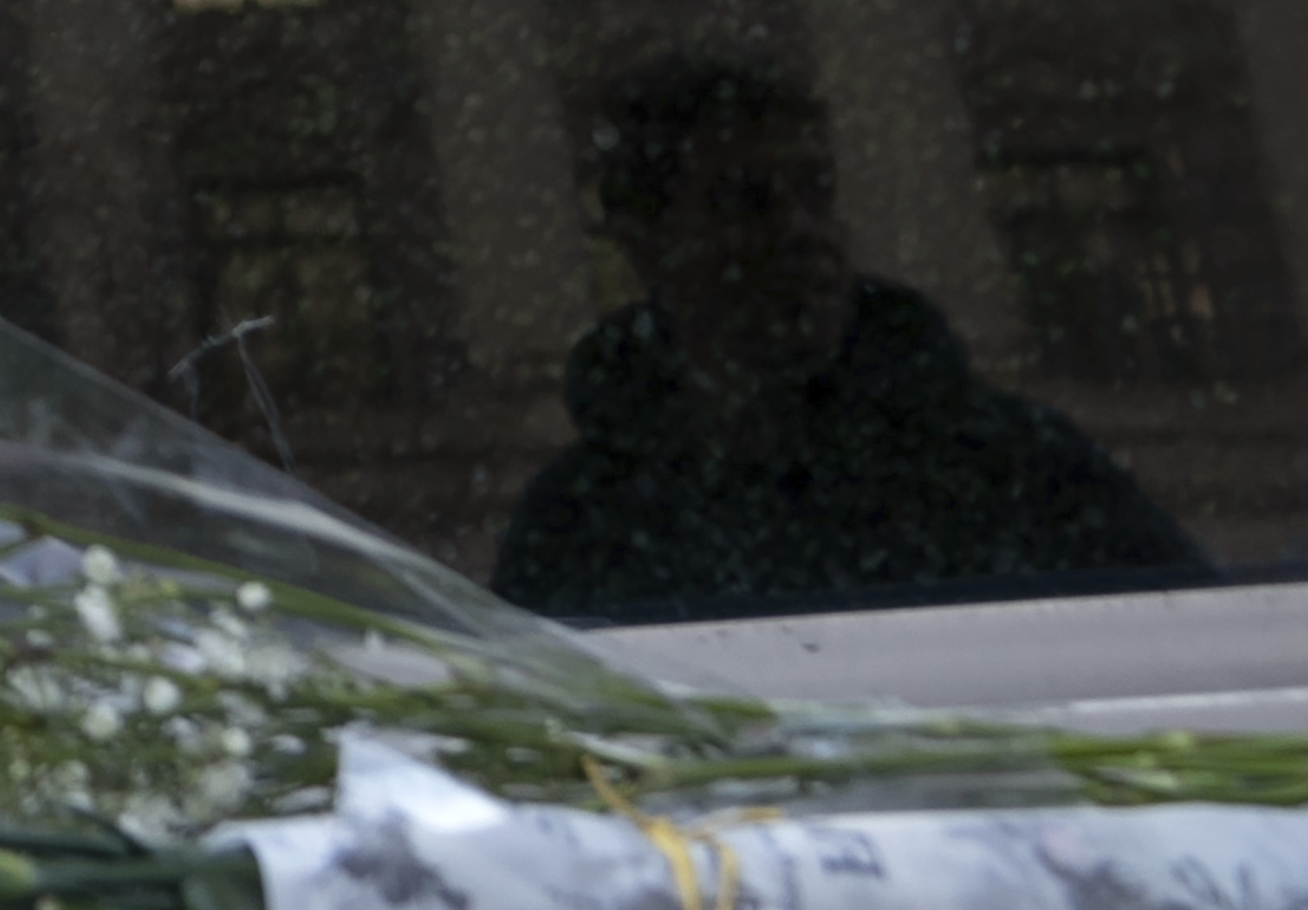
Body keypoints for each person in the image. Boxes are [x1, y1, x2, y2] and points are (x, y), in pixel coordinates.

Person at [495, 56, 1201, 623]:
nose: (800, 231)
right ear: (648, 243)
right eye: (747, 203)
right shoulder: (585, 520)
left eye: (817, 193)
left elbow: (1205, 642)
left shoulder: (1019, 468)